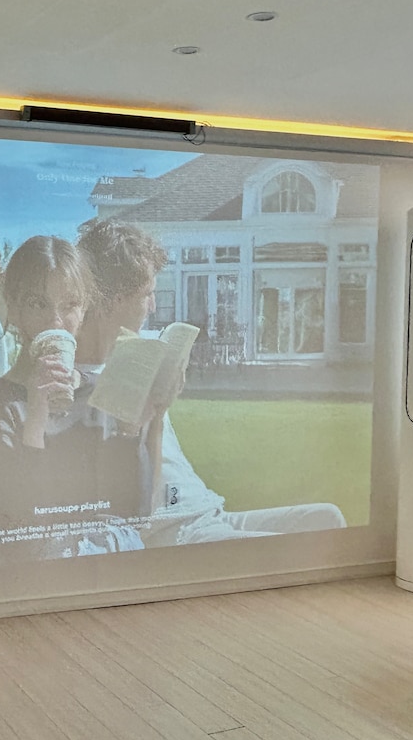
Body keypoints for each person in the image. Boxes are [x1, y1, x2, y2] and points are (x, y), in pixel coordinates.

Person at [75, 218, 346, 546]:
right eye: (147, 294)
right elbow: (132, 504)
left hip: (206, 510)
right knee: (309, 549)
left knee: (327, 518)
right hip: (171, 527)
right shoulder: (79, 384)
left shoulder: (137, 354)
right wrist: (156, 415)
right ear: (116, 298)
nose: (153, 306)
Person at [0, 235, 148, 557]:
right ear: (14, 309)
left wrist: (133, 431)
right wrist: (35, 419)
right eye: (38, 304)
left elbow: (135, 516)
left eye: (70, 305)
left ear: (84, 311)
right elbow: (14, 530)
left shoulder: (101, 394)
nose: (55, 322)